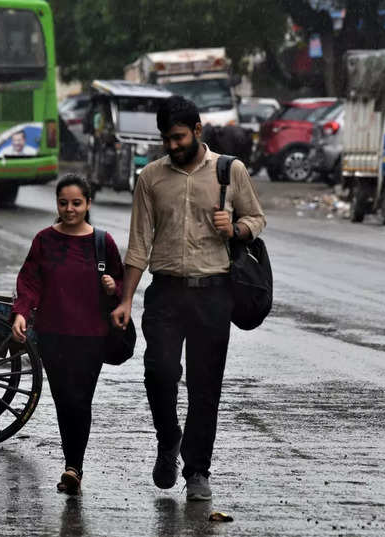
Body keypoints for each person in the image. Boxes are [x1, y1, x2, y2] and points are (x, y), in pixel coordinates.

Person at [111, 96, 266, 501]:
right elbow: (138, 244)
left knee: (204, 386)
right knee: (159, 372)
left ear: (198, 130)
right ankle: (169, 439)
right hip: (164, 293)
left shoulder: (229, 171)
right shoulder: (150, 177)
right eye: (166, 139)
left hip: (213, 293)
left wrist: (235, 228)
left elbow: (256, 218)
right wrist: (126, 300)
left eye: (179, 137)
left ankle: (197, 470)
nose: (172, 145)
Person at [11, 173, 123, 495]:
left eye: (77, 203)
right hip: (53, 333)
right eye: (64, 203)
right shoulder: (44, 240)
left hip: (92, 335)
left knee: (81, 400)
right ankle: (72, 463)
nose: (70, 209)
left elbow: (121, 283)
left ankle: (74, 466)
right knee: (64, 400)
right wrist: (21, 311)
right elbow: (30, 281)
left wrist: (114, 286)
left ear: (88, 203)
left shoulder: (103, 242)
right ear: (56, 204)